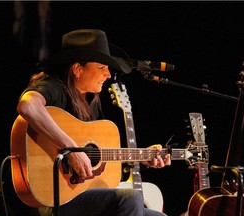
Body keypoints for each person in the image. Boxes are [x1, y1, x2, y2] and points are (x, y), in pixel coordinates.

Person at [14, 29, 171, 216]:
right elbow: (27, 106)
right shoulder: (54, 87)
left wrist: (142, 156)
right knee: (130, 197)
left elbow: (98, 156)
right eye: (101, 67)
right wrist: (71, 150)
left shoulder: (91, 101)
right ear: (78, 69)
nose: (108, 74)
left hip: (82, 193)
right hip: (52, 198)